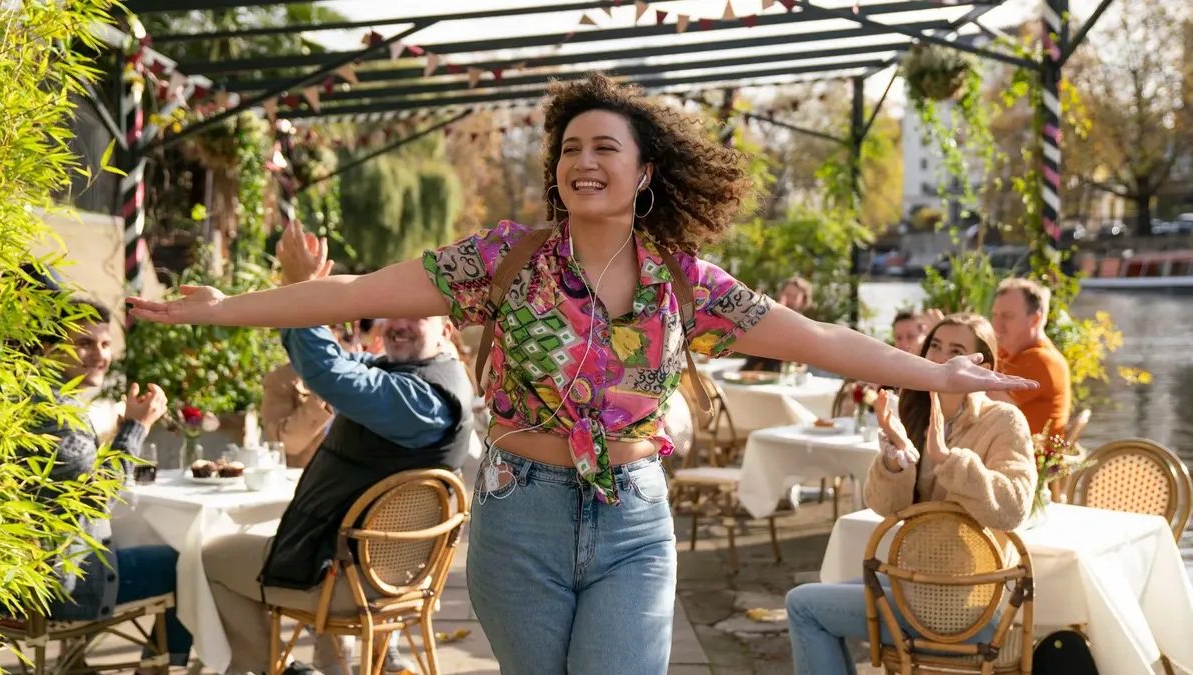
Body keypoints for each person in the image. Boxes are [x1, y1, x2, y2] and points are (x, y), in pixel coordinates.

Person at [127, 73, 1035, 675]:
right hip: (520, 514)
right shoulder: (505, 260)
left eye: (605, 147)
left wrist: (940, 375)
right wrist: (218, 307)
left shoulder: (685, 280)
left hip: (634, 519)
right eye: (569, 148)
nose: (583, 161)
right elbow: (350, 292)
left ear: (644, 174)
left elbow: (819, 338)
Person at [200, 225, 473, 675]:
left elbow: (330, 374)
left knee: (207, 556)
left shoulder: (422, 400)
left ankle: (265, 667)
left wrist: (300, 288)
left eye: (415, 316)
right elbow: (340, 363)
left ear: (446, 331)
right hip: (370, 568)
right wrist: (308, 296)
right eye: (391, 313)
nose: (398, 324)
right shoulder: (420, 375)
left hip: (352, 577)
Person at [784, 313, 1037, 674]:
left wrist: (948, 459)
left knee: (803, 605)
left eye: (957, 351)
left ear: (984, 369)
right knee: (814, 599)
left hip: (969, 604)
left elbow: (1013, 508)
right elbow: (884, 507)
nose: (942, 359)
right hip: (918, 586)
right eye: (935, 346)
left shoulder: (1004, 421)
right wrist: (896, 459)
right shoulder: (914, 410)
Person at [27, 298, 192, 668]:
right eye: (84, 343)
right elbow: (97, 497)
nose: (99, 355)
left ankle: (75, 664)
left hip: (26, 579)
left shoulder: (32, 400)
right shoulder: (55, 414)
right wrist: (137, 427)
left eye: (105, 344)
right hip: (63, 586)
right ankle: (158, 668)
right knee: (189, 563)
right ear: (48, 348)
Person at [990, 278, 1071, 435]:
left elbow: (980, 402)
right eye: (995, 315)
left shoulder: (1041, 360)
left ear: (1035, 320)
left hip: (1029, 450)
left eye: (1008, 316)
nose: (996, 325)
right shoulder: (1009, 350)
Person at [741, 276, 814, 372]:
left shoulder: (802, 324)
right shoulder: (767, 312)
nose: (789, 299)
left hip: (783, 370)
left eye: (794, 297)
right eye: (787, 294)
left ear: (803, 300)